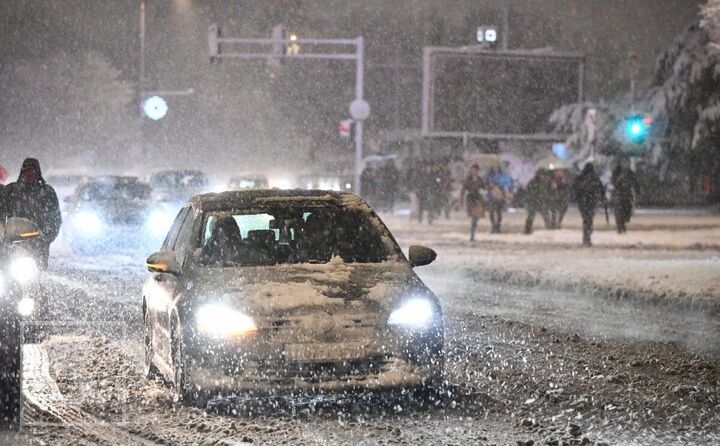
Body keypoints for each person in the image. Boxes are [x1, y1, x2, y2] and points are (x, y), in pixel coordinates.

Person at [0, 158, 61, 267]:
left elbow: (55, 219)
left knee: (37, 277)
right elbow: (2, 208)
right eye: (26, 170)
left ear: (37, 172)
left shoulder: (47, 192)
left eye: (32, 170)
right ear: (22, 172)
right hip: (12, 243)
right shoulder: (12, 190)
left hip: (38, 244)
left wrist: (45, 238)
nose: (29, 173)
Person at [572, 162, 606, 246]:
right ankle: (588, 234)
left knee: (586, 218)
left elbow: (574, 189)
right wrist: (602, 198)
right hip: (591, 201)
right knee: (589, 218)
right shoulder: (595, 178)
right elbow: (601, 189)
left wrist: (576, 197)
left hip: (582, 202)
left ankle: (586, 235)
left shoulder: (580, 178)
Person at [611, 157, 638, 234]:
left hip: (627, 195)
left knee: (627, 212)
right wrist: (620, 178)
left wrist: (636, 192)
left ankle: (622, 225)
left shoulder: (630, 173)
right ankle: (620, 227)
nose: (624, 164)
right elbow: (614, 183)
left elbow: (635, 184)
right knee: (619, 212)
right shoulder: (616, 172)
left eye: (626, 162)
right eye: (623, 162)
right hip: (619, 194)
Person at [460, 164, 486, 241]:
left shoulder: (480, 179)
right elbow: (463, 190)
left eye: (476, 170)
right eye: (473, 170)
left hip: (478, 199)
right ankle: (472, 234)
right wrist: (461, 201)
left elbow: (484, 187)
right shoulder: (468, 179)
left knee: (476, 217)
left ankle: (473, 232)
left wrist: (483, 189)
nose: (474, 172)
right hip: (471, 199)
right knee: (474, 216)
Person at [524, 169, 552, 234]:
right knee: (531, 216)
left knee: (546, 216)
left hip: (541, 202)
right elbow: (529, 192)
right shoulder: (533, 182)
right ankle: (527, 230)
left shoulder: (545, 182)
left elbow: (547, 192)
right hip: (533, 202)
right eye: (542, 174)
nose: (543, 176)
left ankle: (549, 229)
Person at [486, 167, 512, 233]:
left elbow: (508, 183)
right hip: (491, 194)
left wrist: (500, 184)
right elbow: (486, 183)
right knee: (491, 211)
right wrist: (490, 184)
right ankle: (493, 225)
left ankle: (498, 226)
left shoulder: (503, 174)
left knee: (498, 211)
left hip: (500, 194)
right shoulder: (489, 174)